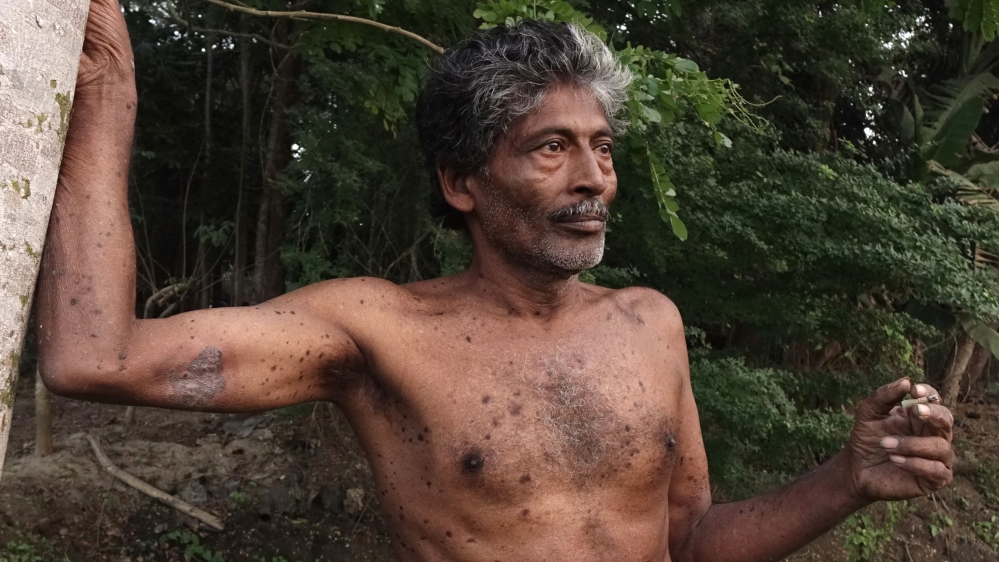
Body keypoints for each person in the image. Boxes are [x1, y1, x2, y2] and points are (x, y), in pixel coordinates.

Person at [37, 1, 955, 560]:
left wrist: (844, 478)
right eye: (550, 149)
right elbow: (94, 355)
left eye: (600, 148)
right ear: (461, 182)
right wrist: (108, 92)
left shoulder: (649, 324)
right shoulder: (376, 329)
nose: (593, 178)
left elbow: (686, 546)